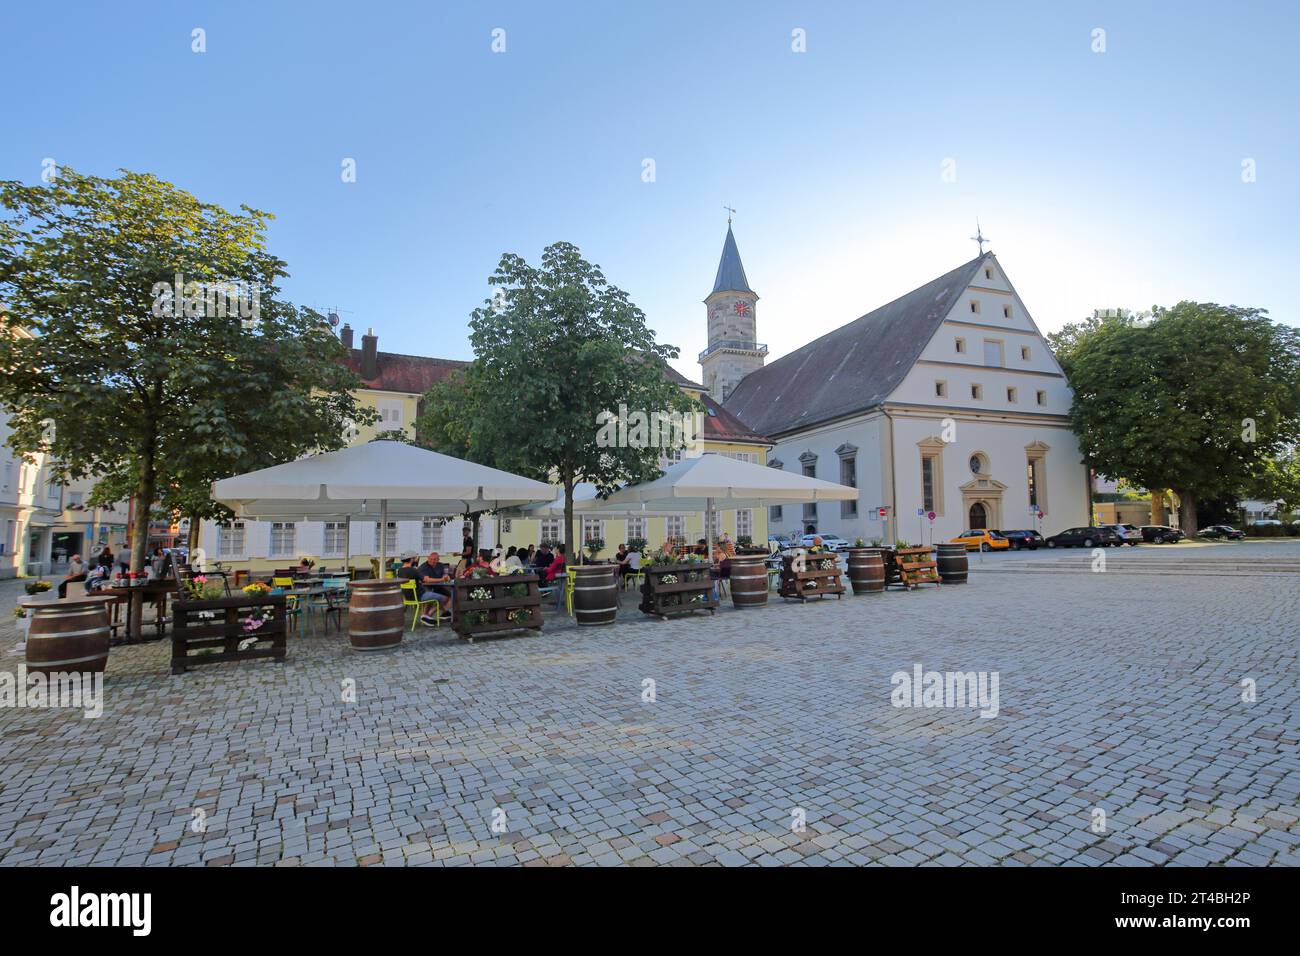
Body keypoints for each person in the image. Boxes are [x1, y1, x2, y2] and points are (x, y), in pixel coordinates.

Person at [414, 551, 452, 622]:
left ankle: (444, 613)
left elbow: (444, 574)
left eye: (435, 559)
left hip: (437, 587)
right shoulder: (423, 567)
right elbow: (426, 580)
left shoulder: (440, 565)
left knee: (450, 595)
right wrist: (441, 579)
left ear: (438, 560)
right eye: (431, 559)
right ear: (428, 558)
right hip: (425, 588)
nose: (432, 561)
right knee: (442, 598)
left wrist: (446, 576)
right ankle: (428, 615)